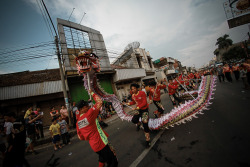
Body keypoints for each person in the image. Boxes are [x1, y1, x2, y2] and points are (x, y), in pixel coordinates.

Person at [76, 89, 118, 167]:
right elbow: (100, 102)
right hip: (101, 143)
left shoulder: (78, 122)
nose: (88, 107)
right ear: (82, 108)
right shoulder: (89, 114)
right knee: (113, 162)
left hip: (94, 145)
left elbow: (80, 137)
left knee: (102, 159)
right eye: (86, 106)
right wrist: (92, 92)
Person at [125, 83, 151, 147]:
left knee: (145, 124)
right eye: (132, 89)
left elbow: (144, 103)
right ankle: (139, 124)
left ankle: (148, 140)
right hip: (138, 110)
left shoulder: (142, 93)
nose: (133, 90)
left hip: (144, 110)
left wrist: (137, 107)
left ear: (137, 88)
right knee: (134, 120)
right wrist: (127, 103)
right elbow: (133, 102)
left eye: (134, 88)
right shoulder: (133, 95)